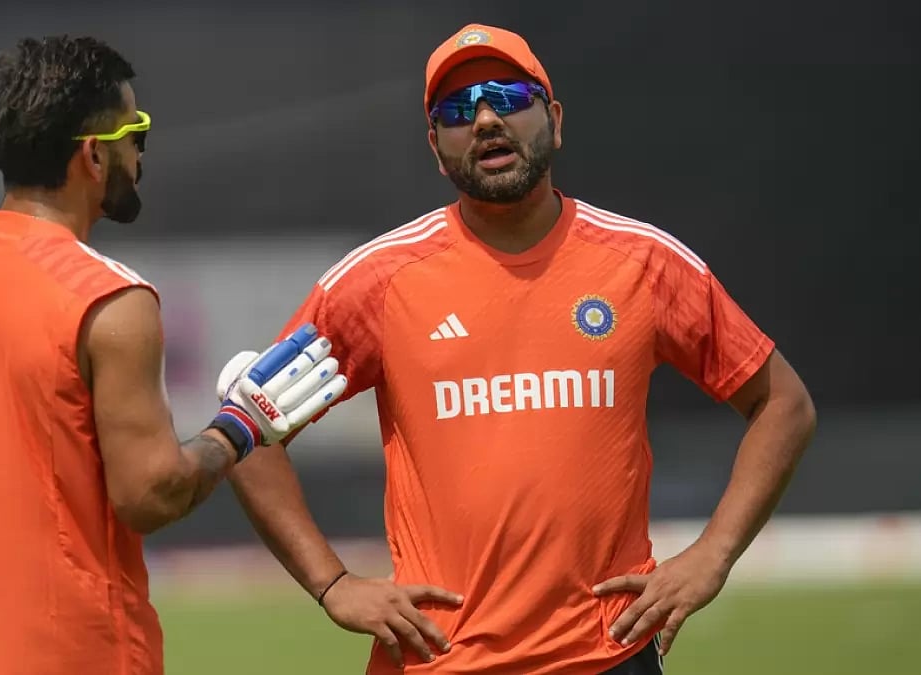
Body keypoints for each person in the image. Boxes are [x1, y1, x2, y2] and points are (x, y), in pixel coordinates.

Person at [226, 23, 817, 674]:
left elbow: (781, 403)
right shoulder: (378, 281)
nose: (484, 120)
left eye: (506, 97)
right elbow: (245, 427)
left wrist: (713, 555)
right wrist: (332, 583)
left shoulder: (643, 262)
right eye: (457, 109)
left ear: (554, 120)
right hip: (436, 660)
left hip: (606, 655)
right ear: (435, 145)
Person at [0, 35, 346, 675]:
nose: (141, 153)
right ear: (93, 156)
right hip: (86, 653)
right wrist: (242, 427)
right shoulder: (110, 297)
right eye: (137, 133)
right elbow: (151, 494)